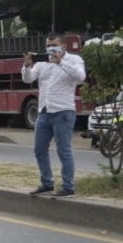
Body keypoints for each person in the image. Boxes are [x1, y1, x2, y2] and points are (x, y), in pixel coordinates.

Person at [22, 34, 86, 197]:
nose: (50, 48)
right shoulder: (43, 63)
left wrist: (61, 62)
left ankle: (68, 186)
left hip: (63, 112)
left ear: (63, 46)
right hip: (44, 111)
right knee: (39, 149)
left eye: (54, 45)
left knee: (63, 149)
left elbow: (81, 77)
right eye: (48, 46)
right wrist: (27, 66)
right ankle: (47, 182)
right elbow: (27, 79)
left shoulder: (74, 60)